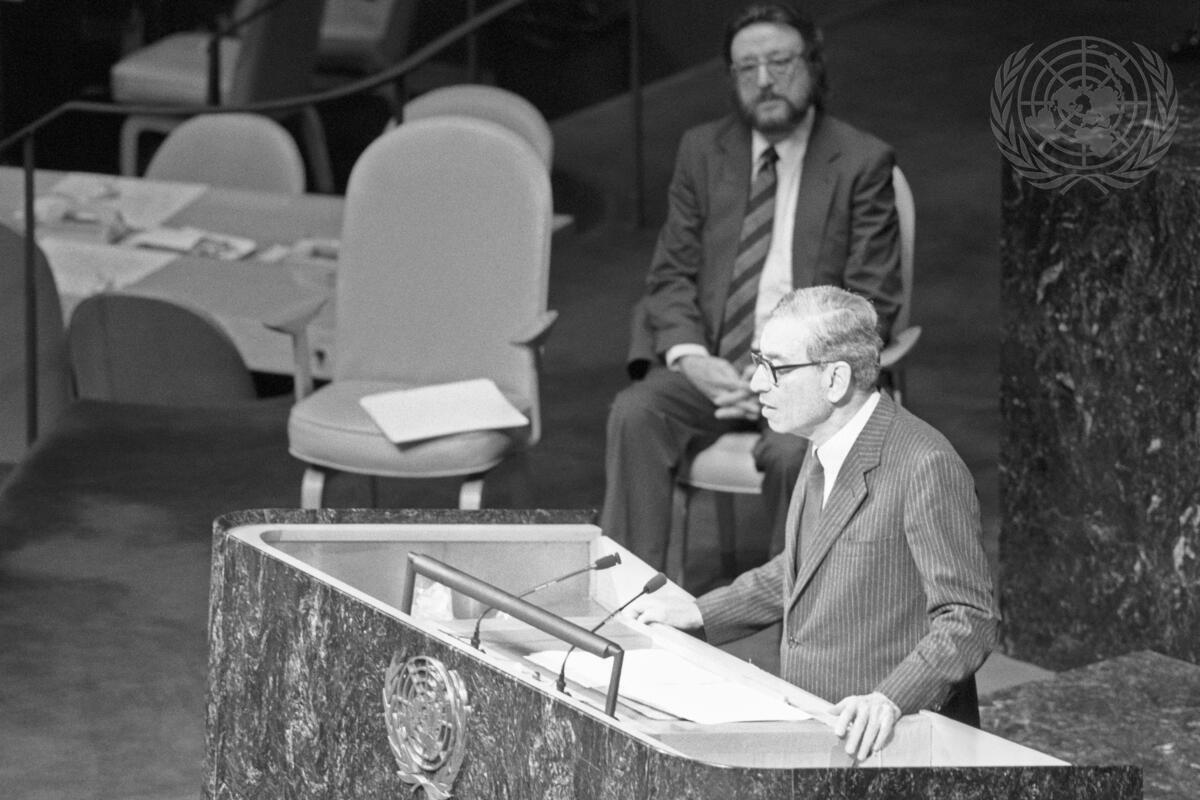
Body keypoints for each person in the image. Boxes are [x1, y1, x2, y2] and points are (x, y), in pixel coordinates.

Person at [631, 286, 999, 760]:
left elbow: (970, 618)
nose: (758, 383)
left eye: (777, 368)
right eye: (759, 362)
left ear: (835, 379)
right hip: (819, 726)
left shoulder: (925, 465)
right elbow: (807, 565)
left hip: (893, 745)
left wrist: (890, 698)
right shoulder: (823, 441)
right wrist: (702, 613)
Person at [602, 2, 902, 574]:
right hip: (713, 366)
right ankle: (627, 601)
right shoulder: (702, 151)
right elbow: (670, 274)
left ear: (813, 65)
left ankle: (792, 614)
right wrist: (692, 359)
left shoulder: (861, 161)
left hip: (808, 369)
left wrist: (784, 370)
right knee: (636, 413)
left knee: (795, 451)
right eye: (747, 67)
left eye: (780, 62)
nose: (764, 80)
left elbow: (871, 301)